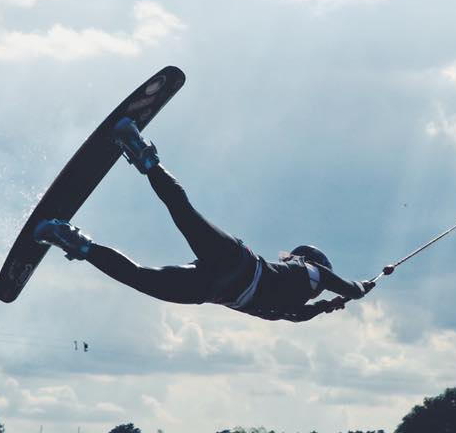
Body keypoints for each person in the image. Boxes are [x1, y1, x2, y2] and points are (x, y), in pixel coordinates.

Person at [34, 118, 374, 322]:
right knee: (181, 216)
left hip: (211, 286)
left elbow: (304, 314)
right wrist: (357, 289)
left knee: (143, 272)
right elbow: (344, 287)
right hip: (234, 265)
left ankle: (73, 241)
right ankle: (137, 149)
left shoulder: (294, 306)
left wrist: (330, 305)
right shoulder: (313, 273)